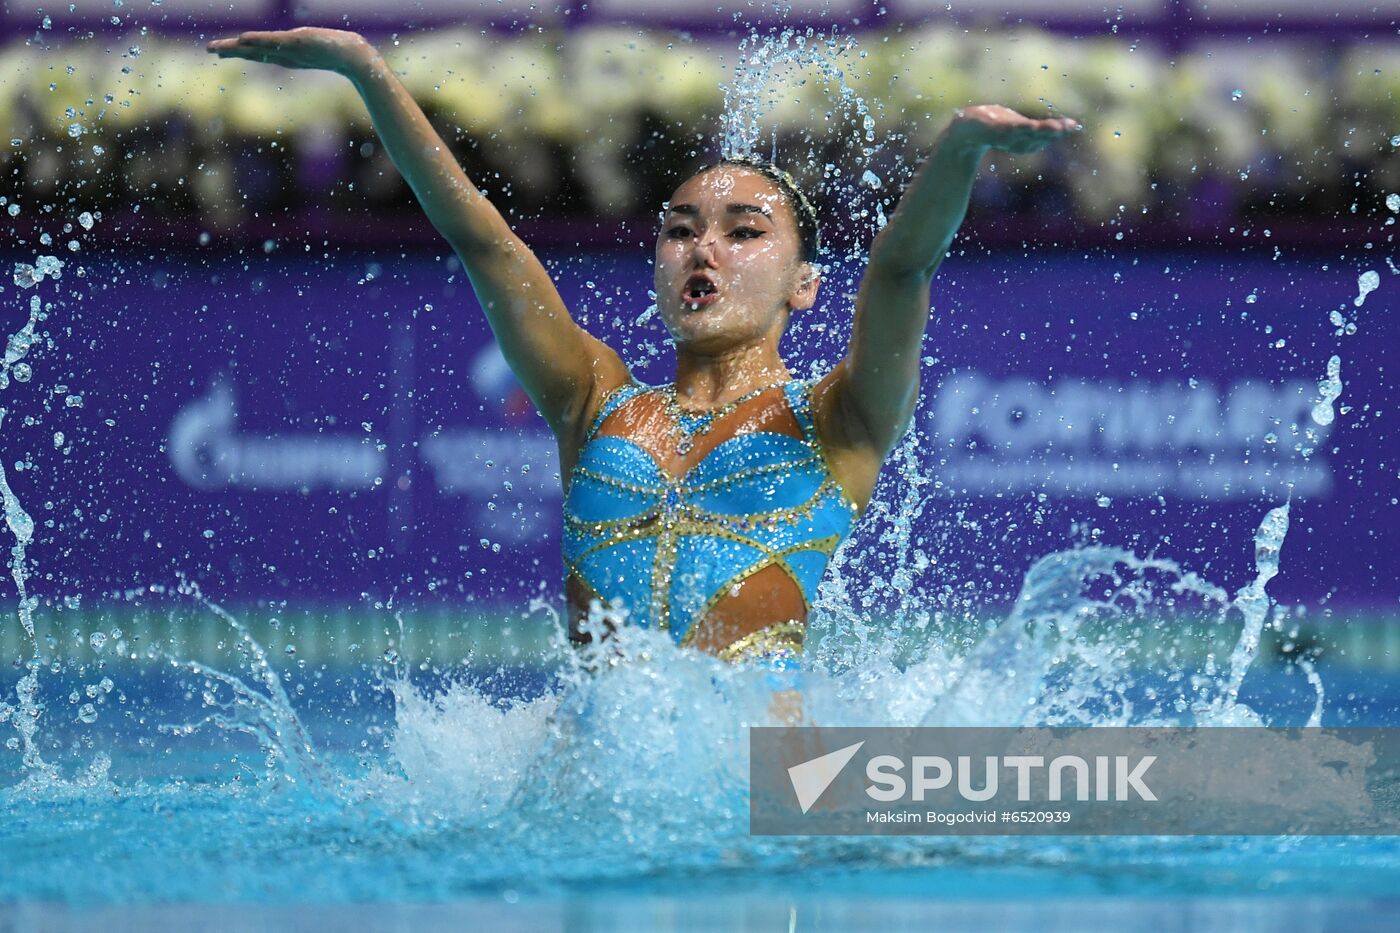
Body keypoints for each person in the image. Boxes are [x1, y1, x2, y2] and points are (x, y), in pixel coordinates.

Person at [208, 27, 1079, 672]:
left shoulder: (836, 421)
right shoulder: (593, 398)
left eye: (744, 232)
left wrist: (961, 149)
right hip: (596, 796)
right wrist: (365, 69)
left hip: (757, 800)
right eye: (680, 230)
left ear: (803, 284)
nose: (704, 249)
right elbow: (485, 243)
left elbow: (900, 269)